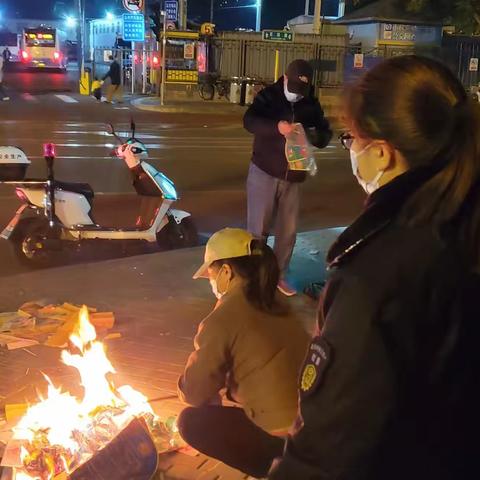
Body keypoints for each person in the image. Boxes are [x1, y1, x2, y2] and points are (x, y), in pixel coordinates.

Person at [265, 55, 480, 479]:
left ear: (382, 154)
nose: (350, 148)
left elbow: (330, 447)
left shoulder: (377, 272)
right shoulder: (462, 222)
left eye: (352, 139)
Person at [176, 228, 310, 479]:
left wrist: (188, 387)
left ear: (226, 272)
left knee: (190, 422)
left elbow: (194, 393)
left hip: (284, 441)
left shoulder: (222, 318)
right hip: (313, 423)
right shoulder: (279, 302)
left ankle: (276, 471)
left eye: (212, 274)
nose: (212, 283)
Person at [244, 59, 332, 297]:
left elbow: (325, 134)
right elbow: (249, 121)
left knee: (288, 231)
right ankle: (254, 276)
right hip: (264, 170)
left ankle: (278, 275)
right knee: (258, 230)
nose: (296, 95)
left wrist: (313, 135)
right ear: (285, 79)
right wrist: (277, 127)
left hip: (294, 176)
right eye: (293, 89)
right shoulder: (269, 97)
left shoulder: (310, 102)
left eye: (301, 90)